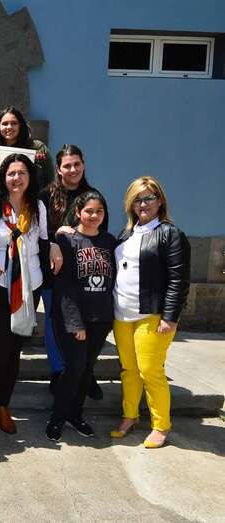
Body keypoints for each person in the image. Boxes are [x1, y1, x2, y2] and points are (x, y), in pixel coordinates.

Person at [0, 153, 61, 435]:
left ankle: (4, 405)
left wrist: (55, 247)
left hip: (29, 287)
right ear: (3, 177)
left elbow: (44, 241)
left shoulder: (38, 206)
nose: (16, 178)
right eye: (11, 173)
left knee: (15, 351)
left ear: (30, 177)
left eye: (22, 173)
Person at [110, 176, 190, 449]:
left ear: (160, 201)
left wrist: (170, 317)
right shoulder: (125, 235)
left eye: (149, 198)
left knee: (150, 370)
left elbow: (179, 279)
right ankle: (129, 416)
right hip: (122, 314)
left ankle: (161, 425)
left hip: (152, 315)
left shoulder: (170, 234)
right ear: (130, 204)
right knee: (129, 370)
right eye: (137, 199)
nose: (143, 204)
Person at [39, 144, 109, 398]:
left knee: (89, 322)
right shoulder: (45, 195)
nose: (72, 169)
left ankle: (85, 372)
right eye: (67, 165)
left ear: (83, 165)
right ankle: (59, 371)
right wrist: (54, 240)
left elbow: (101, 235)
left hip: (86, 273)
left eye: (76, 164)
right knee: (54, 321)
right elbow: (37, 231)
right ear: (58, 169)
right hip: (54, 271)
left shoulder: (94, 196)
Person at [45, 192, 116, 442]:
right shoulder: (67, 240)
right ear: (78, 212)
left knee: (86, 370)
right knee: (74, 369)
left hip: (101, 318)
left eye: (99, 211)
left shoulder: (110, 241)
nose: (94, 215)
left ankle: (75, 415)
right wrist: (76, 323)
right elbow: (64, 286)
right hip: (73, 320)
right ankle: (57, 418)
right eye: (89, 211)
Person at [0, 107, 54, 188]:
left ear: (20, 125)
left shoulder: (37, 147)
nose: (9, 127)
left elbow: (50, 180)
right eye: (5, 124)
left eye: (14, 123)